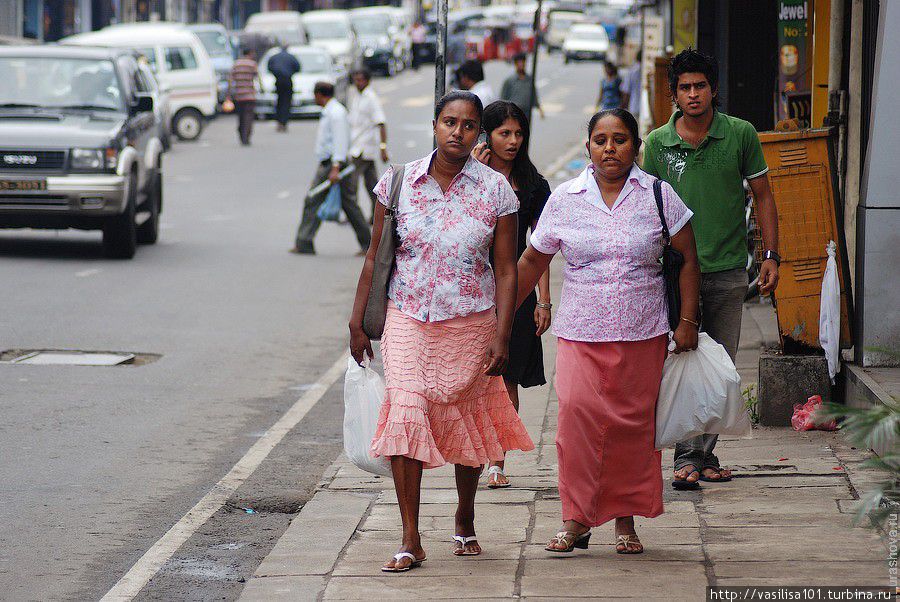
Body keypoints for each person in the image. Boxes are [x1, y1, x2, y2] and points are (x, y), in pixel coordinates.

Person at [348, 91, 534, 573]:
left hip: (472, 322)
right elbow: (376, 255)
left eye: (469, 125)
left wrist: (502, 334)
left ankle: (465, 514)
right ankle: (410, 536)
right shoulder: (398, 182)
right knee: (406, 409)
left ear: (478, 134)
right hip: (407, 318)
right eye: (449, 122)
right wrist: (358, 319)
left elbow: (507, 269)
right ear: (434, 125)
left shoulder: (496, 190)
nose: (458, 132)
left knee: (465, 415)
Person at [516, 108, 701, 554]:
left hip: (643, 333)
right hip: (581, 332)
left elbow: (689, 261)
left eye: (619, 139)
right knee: (575, 421)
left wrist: (688, 322)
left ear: (636, 146)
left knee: (632, 431)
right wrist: (500, 318)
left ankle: (625, 521)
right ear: (588, 148)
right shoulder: (565, 198)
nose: (610, 148)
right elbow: (531, 262)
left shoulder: (659, 194)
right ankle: (576, 519)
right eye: (601, 140)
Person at [642, 48, 779, 489]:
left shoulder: (740, 135)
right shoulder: (658, 145)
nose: (693, 94)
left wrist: (771, 256)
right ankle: (687, 456)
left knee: (720, 365)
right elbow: (645, 206)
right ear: (674, 94)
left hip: (725, 270)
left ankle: (704, 453)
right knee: (682, 359)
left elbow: (763, 196)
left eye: (700, 86)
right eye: (685, 87)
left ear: (714, 90)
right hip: (674, 272)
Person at [472, 101, 551, 489]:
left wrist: (543, 299)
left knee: (506, 379)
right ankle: (472, 454)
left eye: (519, 133)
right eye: (505, 133)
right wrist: (474, 172)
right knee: (470, 379)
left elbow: (542, 247)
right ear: (486, 136)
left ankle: (497, 462)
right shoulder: (469, 178)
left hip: (515, 291)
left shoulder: (534, 185)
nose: (514, 141)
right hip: (469, 289)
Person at [292, 82, 371, 256]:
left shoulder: (336, 114)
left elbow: (340, 141)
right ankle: (368, 243)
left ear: (320, 94)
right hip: (332, 163)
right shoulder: (329, 112)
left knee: (313, 200)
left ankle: (304, 241)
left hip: (334, 164)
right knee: (349, 204)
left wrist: (335, 167)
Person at [347, 69, 389, 222]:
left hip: (363, 148)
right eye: (356, 80)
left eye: (361, 80)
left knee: (351, 184)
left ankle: (352, 214)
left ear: (367, 81)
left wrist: (383, 147)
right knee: (372, 184)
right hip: (357, 145)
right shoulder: (357, 97)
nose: (358, 83)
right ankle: (377, 214)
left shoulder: (371, 98)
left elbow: (381, 123)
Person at [227, 48, 258, 146]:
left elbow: (230, 80)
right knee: (248, 116)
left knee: (241, 117)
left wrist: (228, 93)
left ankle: (241, 135)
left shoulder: (236, 64)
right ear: (250, 53)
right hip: (250, 95)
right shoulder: (252, 64)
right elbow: (257, 77)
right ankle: (246, 137)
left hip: (239, 95)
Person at [500, 52, 544, 120]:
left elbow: (533, 95)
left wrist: (539, 109)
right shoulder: (509, 80)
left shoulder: (529, 79)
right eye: (519, 62)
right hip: (513, 112)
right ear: (515, 64)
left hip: (527, 112)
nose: (521, 64)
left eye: (523, 62)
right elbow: (503, 98)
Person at [267, 45, 300, 132]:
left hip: (278, 80)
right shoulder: (291, 57)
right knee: (287, 102)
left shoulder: (274, 57)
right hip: (287, 80)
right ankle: (284, 122)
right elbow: (298, 67)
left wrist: (276, 74)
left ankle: (279, 122)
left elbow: (269, 67)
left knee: (279, 101)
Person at [619, 49, 641, 120]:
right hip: (645, 107)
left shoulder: (631, 71)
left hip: (634, 106)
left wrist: (622, 108)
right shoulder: (647, 69)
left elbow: (626, 91)